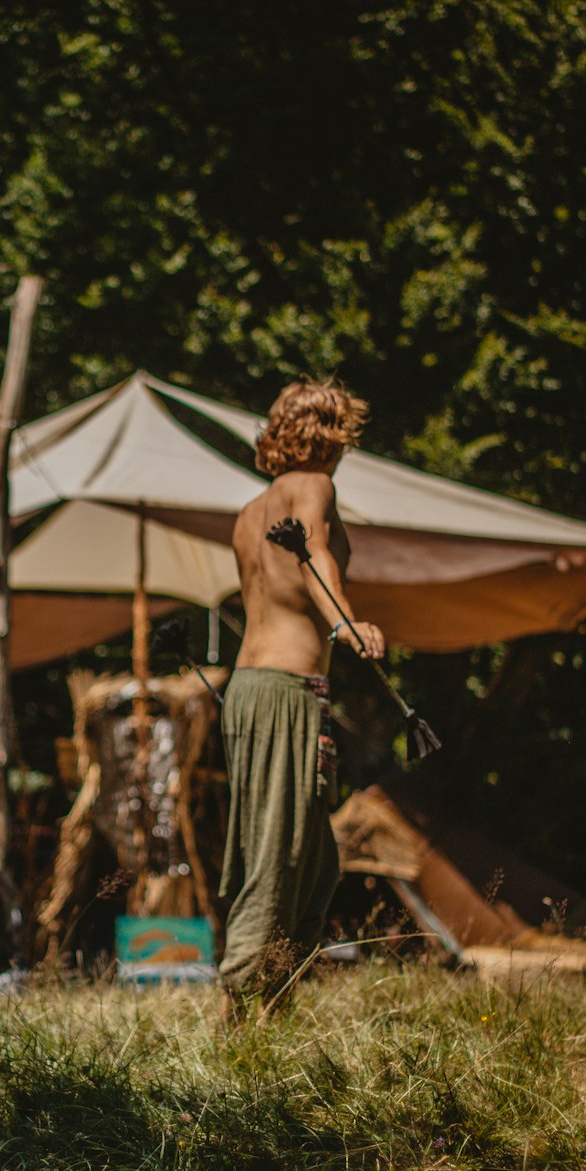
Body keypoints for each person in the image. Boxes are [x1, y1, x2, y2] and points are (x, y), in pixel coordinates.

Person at [219, 378, 386, 1021]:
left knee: (310, 854)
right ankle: (242, 1000)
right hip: (285, 689)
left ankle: (275, 995)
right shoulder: (313, 485)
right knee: (279, 849)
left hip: (250, 689)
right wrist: (348, 624)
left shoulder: (247, 512)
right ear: (331, 431)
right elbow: (316, 555)